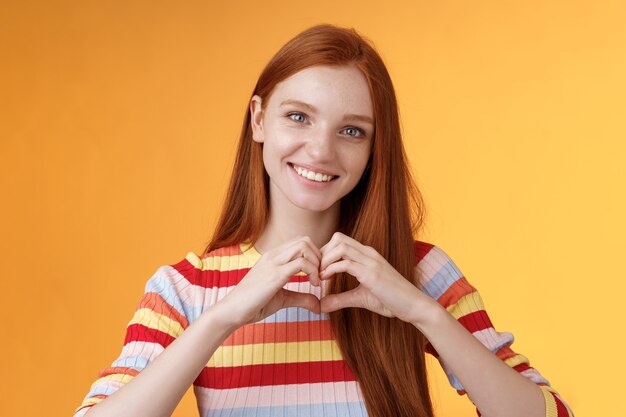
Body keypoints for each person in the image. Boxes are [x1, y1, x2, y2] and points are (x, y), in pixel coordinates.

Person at [74, 24, 573, 417]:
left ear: (375, 149)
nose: (320, 149)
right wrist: (222, 318)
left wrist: (424, 314)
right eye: (298, 117)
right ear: (258, 119)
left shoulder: (419, 274)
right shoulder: (184, 289)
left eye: (352, 130)